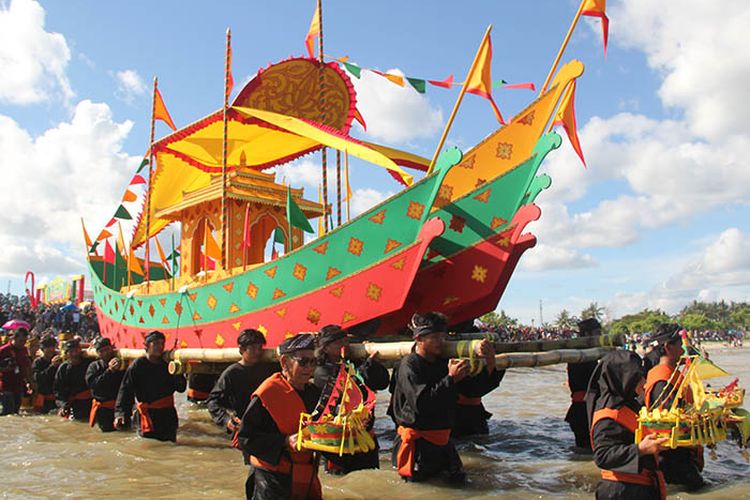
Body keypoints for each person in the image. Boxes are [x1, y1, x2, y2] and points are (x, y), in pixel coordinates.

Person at [388, 312, 501, 484]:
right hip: (418, 446)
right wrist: (451, 379)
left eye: (443, 336)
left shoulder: (444, 363)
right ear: (419, 338)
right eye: (434, 337)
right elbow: (422, 404)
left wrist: (491, 362)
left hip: (443, 443)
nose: (441, 342)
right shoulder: (409, 365)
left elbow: (473, 390)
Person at [237, 333, 322, 500]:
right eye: (303, 362)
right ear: (285, 362)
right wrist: (285, 441)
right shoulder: (267, 393)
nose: (309, 368)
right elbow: (245, 438)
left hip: (305, 475)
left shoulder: (315, 394)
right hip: (270, 480)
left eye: (314, 362)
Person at [587, 350, 669, 499]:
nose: (644, 382)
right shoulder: (607, 416)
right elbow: (602, 456)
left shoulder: (629, 403)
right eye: (638, 377)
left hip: (640, 487)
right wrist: (640, 449)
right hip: (620, 491)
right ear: (623, 378)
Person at [207, 329, 278, 499]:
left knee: (272, 471)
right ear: (241, 350)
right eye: (252, 348)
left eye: (260, 347)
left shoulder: (268, 368)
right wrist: (226, 420)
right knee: (257, 470)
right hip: (248, 430)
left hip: (271, 427)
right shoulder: (232, 373)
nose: (257, 352)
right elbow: (212, 401)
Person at [312, 324, 389, 474]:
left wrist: (373, 364)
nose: (344, 346)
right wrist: (366, 365)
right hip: (340, 440)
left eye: (346, 341)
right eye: (339, 343)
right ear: (326, 348)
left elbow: (382, 383)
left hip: (365, 436)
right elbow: (349, 388)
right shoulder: (321, 371)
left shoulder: (354, 363)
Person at [643, 323, 705, 491]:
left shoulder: (670, 374)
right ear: (668, 346)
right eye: (681, 344)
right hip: (672, 456)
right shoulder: (662, 379)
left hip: (680, 452)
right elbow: (669, 420)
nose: (685, 348)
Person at [114, 330, 187, 442]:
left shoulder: (167, 364)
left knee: (170, 447)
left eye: (162, 343)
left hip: (168, 415)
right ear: (147, 345)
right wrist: (120, 414)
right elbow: (126, 390)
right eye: (156, 343)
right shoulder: (137, 365)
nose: (160, 347)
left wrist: (176, 371)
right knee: (150, 448)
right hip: (148, 415)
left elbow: (181, 388)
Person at [564, 318, 601, 451]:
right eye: (597, 333)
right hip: (583, 409)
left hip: (583, 409)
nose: (600, 336)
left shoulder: (586, 353)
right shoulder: (581, 355)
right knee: (587, 450)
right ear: (586, 335)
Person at [85, 337, 124, 432]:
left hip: (121, 408)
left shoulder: (123, 364)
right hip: (104, 410)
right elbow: (93, 385)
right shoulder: (94, 366)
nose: (106, 353)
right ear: (98, 354)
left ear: (111, 348)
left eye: (107, 349)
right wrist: (109, 371)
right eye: (102, 351)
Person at [53, 338, 93, 421]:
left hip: (90, 401)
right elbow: (58, 390)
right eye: (71, 352)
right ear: (67, 354)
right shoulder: (63, 368)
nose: (74, 354)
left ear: (80, 351)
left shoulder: (89, 363)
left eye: (76, 351)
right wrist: (63, 406)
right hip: (73, 404)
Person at [0, 327, 32, 415]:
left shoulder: (25, 350)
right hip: (6, 387)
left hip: (19, 386)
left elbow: (27, 366)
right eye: (21, 341)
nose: (23, 343)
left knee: (16, 413)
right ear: (14, 338)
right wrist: (4, 369)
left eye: (25, 341)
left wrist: (29, 382)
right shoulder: (3, 350)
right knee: (8, 413)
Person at [32, 334, 61, 413]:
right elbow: (38, 379)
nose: (51, 351)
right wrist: (52, 366)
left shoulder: (60, 360)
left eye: (53, 348)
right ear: (42, 349)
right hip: (44, 400)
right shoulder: (38, 362)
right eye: (48, 349)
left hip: (58, 399)